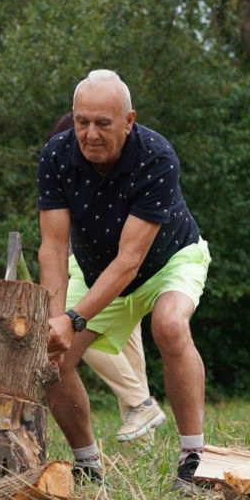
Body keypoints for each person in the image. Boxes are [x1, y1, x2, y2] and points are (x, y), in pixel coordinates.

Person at [38, 70, 210, 489]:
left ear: (129, 120)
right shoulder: (56, 155)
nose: (90, 134)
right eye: (82, 122)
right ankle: (88, 464)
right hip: (96, 270)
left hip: (168, 261)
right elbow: (54, 248)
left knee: (169, 325)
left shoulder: (156, 157)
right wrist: (54, 320)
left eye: (103, 123)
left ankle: (193, 459)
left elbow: (130, 262)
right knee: (48, 359)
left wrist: (73, 319)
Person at [47, 112, 166, 443]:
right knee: (129, 348)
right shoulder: (100, 169)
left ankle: (140, 403)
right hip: (125, 270)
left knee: (75, 329)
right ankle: (144, 439)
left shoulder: (100, 172)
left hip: (107, 270)